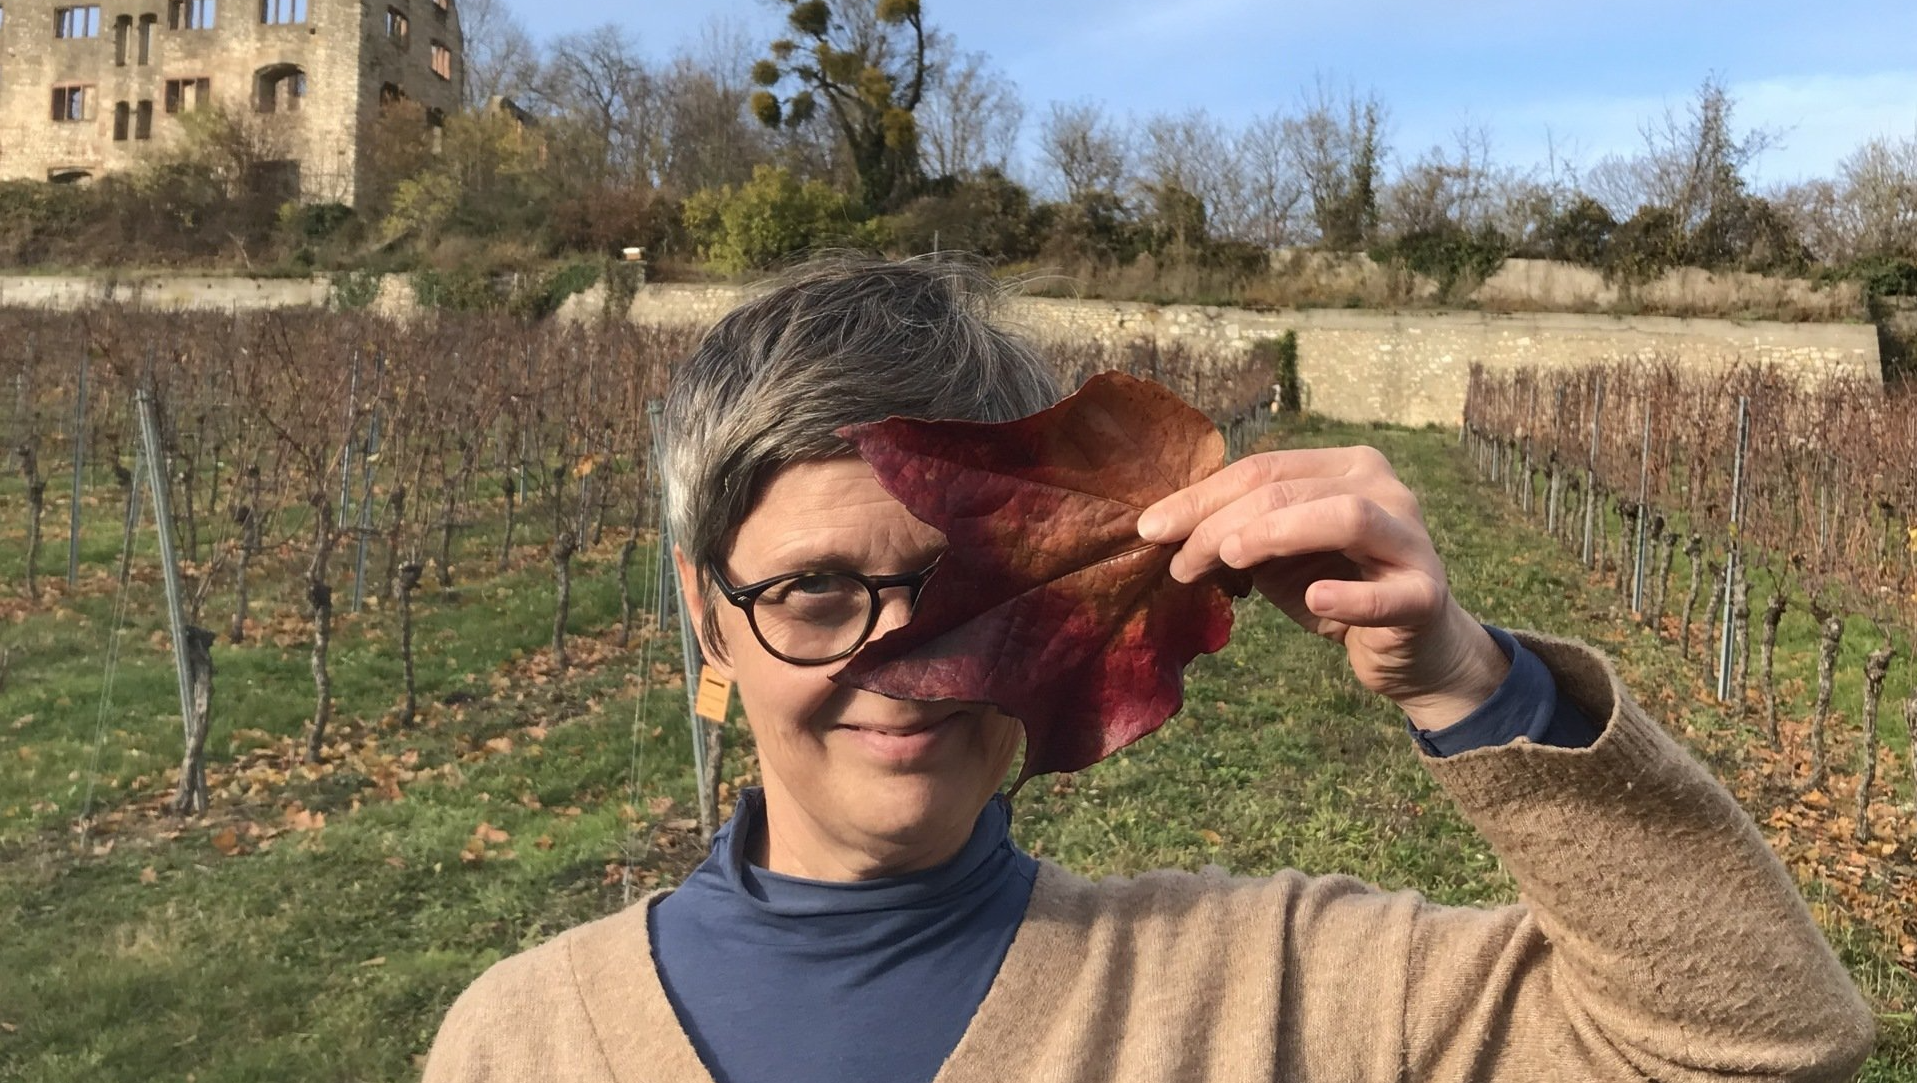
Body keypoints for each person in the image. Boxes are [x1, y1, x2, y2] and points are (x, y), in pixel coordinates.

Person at [422, 256, 1873, 1083]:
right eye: (815, 593)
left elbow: (1757, 1036)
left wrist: (1465, 681)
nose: (903, 659)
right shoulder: (520, 1042)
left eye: (965, 590)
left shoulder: (1267, 993)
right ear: (707, 612)